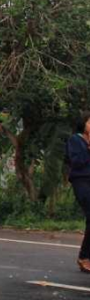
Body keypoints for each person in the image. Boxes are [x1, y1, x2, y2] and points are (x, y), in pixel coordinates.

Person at [66, 113, 90, 273]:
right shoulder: (76, 140)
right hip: (82, 181)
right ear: (84, 124)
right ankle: (84, 257)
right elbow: (77, 162)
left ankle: (85, 257)